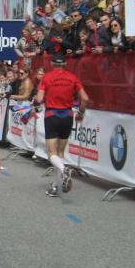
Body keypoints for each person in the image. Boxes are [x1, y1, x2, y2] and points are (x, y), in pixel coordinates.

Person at [35, 55, 89, 197]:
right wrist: (81, 113)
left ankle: (64, 170)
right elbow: (85, 98)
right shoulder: (72, 77)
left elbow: (39, 98)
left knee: (51, 153)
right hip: (67, 116)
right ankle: (56, 186)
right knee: (60, 153)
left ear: (52, 64)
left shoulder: (46, 77)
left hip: (52, 115)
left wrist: (38, 101)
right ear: (65, 64)